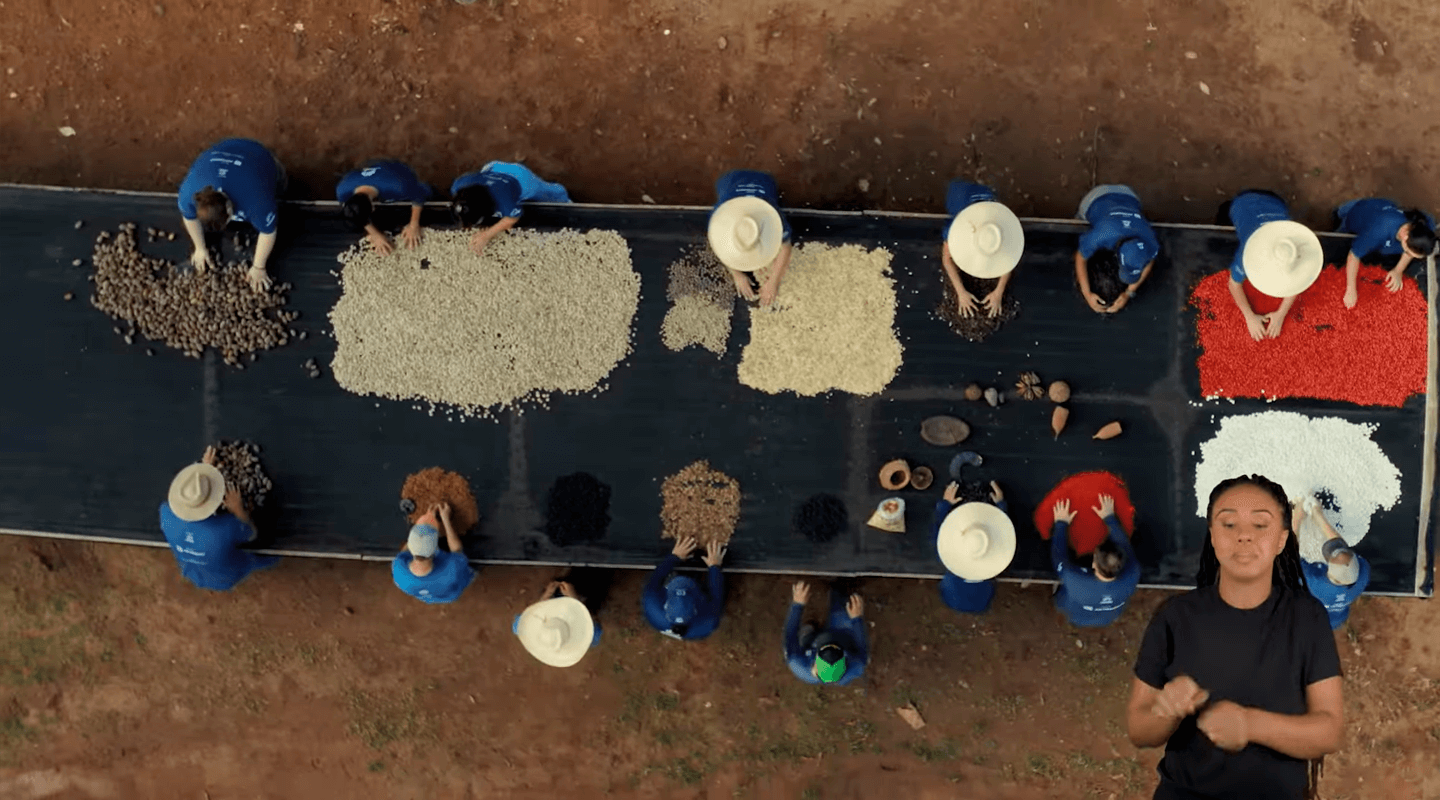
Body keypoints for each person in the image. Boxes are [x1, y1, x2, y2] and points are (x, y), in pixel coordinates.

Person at [1127, 475, 1343, 800]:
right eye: (1228, 524)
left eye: (1260, 525)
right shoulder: (1174, 617)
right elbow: (1139, 730)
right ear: (1212, 536)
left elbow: (1329, 731)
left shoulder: (1306, 617)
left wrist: (1251, 725)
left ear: (1283, 539)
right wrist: (1165, 710)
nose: (1243, 536)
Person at [158, 446, 278, 591]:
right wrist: (238, 509)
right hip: (225, 577)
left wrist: (204, 474)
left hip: (192, 572)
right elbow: (251, 534)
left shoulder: (166, 513)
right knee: (262, 557)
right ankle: (271, 561)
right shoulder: (225, 528)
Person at [177, 138, 286, 291]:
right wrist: (200, 248)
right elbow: (189, 217)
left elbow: (268, 232)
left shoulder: (257, 201)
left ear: (230, 209)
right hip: (220, 147)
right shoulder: (188, 194)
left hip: (257, 155)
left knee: (282, 185)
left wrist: (258, 268)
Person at [1221, 190, 1323, 341]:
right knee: (1223, 222)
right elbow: (1233, 284)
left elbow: (1298, 278)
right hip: (1242, 203)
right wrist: (1249, 316)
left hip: (1275, 200)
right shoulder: (1247, 254)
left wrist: (1281, 314)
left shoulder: (1292, 249)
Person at [940, 179, 1024, 319]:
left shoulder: (996, 232)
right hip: (961, 194)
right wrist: (961, 292)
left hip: (985, 196)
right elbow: (947, 259)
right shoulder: (955, 230)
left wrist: (998, 292)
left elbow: (1010, 257)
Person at [707, 169, 793, 306]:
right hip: (727, 179)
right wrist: (737, 275)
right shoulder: (719, 218)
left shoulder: (774, 217)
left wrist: (773, 282)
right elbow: (719, 246)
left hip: (764, 180)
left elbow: (786, 246)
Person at [1051, 494, 1139, 627]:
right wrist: (1110, 518)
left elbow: (1058, 558)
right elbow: (1125, 545)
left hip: (1075, 615)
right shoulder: (1133, 573)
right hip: (1109, 617)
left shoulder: (1073, 578)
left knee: (1061, 587)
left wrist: (1061, 524)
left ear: (1093, 563)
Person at [1334, 198, 1437, 308]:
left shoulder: (1426, 227)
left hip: (1385, 209)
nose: (1408, 255)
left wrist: (1398, 271)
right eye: (1407, 252)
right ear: (1405, 236)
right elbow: (1353, 255)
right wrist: (1351, 289)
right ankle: (1343, 210)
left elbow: (1412, 250)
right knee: (1343, 227)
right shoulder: (1379, 230)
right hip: (1361, 216)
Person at [451, 162, 573, 255]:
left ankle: (563, 197)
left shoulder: (503, 199)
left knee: (545, 191)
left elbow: (512, 218)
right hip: (494, 168)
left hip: (520, 178)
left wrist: (486, 235)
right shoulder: (458, 186)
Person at [932, 480, 1016, 613]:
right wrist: (1001, 505)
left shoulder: (943, 554)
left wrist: (945, 505)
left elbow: (938, 532)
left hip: (955, 600)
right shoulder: (1000, 559)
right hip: (982, 601)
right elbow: (1004, 530)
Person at [1073, 184, 1159, 314]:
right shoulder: (1103, 234)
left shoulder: (1150, 239)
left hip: (1130, 194)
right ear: (1117, 255)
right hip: (1097, 196)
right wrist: (1087, 294)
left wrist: (1128, 293)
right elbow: (1080, 257)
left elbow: (1149, 260)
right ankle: (1079, 217)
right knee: (1082, 218)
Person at [1293, 496, 1370, 629]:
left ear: (1326, 571)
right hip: (1334, 619)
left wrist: (1299, 511)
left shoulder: (1312, 581)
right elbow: (1341, 549)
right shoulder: (1363, 571)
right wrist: (1318, 514)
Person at [336, 160, 432, 255]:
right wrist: (374, 234)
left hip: (396, 169)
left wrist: (414, 225)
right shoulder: (342, 192)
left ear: (373, 208)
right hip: (372, 168)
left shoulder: (397, 188)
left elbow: (422, 192)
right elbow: (356, 213)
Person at [782, 581, 867, 686]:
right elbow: (862, 645)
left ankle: (810, 630)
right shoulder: (857, 666)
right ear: (845, 663)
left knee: (804, 635)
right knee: (843, 608)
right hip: (841, 635)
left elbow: (790, 634)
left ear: (815, 668)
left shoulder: (796, 663)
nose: (829, 643)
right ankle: (839, 589)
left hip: (811, 641)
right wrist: (856, 619)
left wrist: (797, 604)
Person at [642, 536, 726, 640]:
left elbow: (656, 577)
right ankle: (693, 580)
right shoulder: (709, 620)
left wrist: (675, 556)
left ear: (666, 604)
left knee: (674, 575)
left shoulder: (652, 604)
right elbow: (716, 593)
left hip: (662, 619)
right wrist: (714, 566)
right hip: (697, 623)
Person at [391, 502, 475, 604]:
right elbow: (457, 550)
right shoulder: (453, 568)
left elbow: (405, 551)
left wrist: (421, 525)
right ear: (436, 550)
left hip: (428, 597)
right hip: (450, 595)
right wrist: (446, 519)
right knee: (466, 572)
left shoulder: (398, 568)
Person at [514, 579, 602, 668]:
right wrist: (574, 597)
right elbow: (592, 624)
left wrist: (545, 596)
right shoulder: (593, 634)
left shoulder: (520, 626)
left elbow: (521, 622)